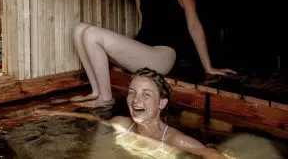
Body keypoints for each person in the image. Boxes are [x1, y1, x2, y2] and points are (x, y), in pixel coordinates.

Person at [72, 0, 236, 107]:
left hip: (163, 55)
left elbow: (194, 25)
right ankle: (95, 92)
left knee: (92, 34)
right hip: (144, 50)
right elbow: (145, 21)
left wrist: (208, 66)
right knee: (80, 29)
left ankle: (106, 98)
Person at [40, 68, 231, 159]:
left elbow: (210, 153)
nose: (136, 100)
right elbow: (95, 120)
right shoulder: (122, 124)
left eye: (146, 95)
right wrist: (52, 113)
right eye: (132, 93)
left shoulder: (174, 140)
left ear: (161, 103)